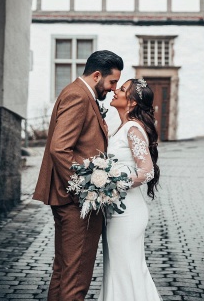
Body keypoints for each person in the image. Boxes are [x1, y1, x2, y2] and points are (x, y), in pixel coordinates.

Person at [32, 50, 123, 301]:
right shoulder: (79, 96)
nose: (114, 88)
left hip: (66, 199)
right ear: (96, 75)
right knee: (76, 278)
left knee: (63, 272)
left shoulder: (79, 93)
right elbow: (59, 148)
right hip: (76, 202)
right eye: (112, 81)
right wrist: (85, 189)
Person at [97, 78, 162, 301]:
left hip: (128, 212)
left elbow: (147, 171)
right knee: (117, 269)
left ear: (132, 102)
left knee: (126, 270)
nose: (115, 90)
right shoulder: (121, 128)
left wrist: (112, 182)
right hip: (115, 211)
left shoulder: (133, 129)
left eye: (122, 89)